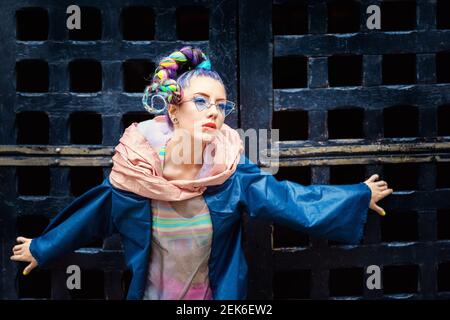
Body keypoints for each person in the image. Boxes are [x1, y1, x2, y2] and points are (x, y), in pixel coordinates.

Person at [10, 46, 394, 300]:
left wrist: (357, 196)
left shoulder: (230, 172)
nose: (214, 111)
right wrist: (42, 248)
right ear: (173, 111)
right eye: (201, 101)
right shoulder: (133, 175)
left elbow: (289, 199)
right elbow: (89, 218)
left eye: (221, 105)